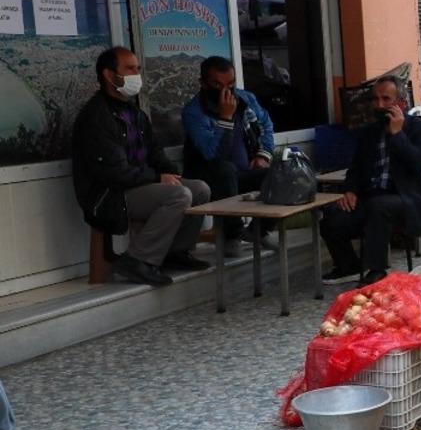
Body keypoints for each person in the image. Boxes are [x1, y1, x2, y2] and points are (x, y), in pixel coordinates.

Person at [72, 47, 212, 286]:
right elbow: (115, 174)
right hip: (108, 195)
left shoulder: (134, 113)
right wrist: (158, 179)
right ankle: (138, 260)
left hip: (136, 185)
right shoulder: (97, 117)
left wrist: (169, 171)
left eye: (137, 68)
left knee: (199, 189)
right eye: (129, 69)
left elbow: (155, 151)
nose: (136, 74)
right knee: (178, 195)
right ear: (108, 75)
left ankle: (175, 252)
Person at [320, 76, 421, 286]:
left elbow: (419, 164)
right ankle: (348, 266)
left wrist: (398, 135)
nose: (379, 105)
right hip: (372, 197)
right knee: (332, 215)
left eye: (386, 99)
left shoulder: (420, 129)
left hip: (406, 199)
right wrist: (350, 191)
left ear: (401, 103)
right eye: (375, 99)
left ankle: (377, 270)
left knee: (378, 206)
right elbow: (355, 169)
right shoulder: (369, 132)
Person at [181, 56, 276, 255]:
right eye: (217, 84)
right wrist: (225, 118)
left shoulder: (245, 99)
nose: (226, 90)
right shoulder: (193, 112)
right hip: (210, 176)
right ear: (204, 84)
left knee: (280, 174)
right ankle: (232, 234)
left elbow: (266, 125)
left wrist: (263, 155)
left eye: (230, 84)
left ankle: (257, 231)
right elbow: (212, 154)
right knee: (225, 169)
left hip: (243, 171)